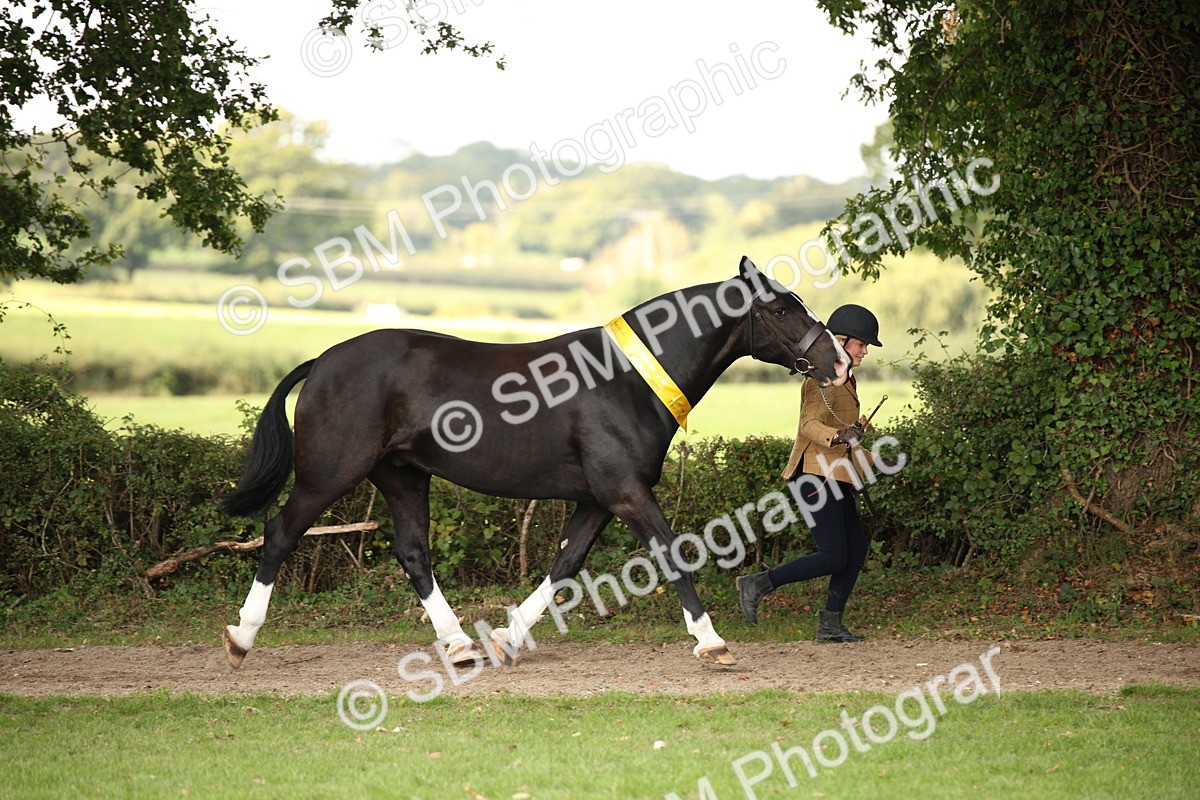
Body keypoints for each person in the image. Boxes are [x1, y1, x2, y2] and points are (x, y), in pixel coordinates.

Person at [736, 303, 882, 643]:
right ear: (841, 341)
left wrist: (863, 446)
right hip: (814, 476)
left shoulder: (844, 377)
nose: (864, 351)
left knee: (855, 551)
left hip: (836, 475)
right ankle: (758, 583)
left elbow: (838, 431)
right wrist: (839, 435)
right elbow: (808, 425)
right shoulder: (821, 377)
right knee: (833, 556)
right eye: (861, 344)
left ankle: (830, 624)